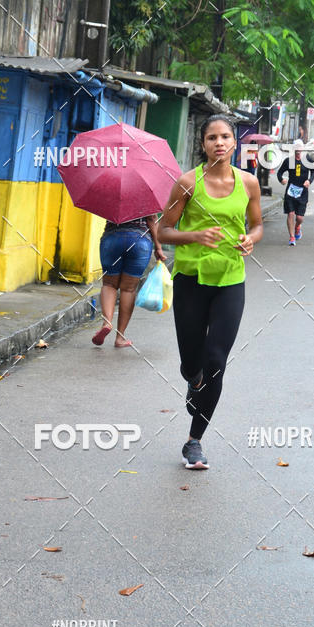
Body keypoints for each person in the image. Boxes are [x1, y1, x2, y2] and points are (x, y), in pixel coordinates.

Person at [157, 114, 263, 470]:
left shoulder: (248, 183)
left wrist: (251, 240)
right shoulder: (187, 183)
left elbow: (258, 225)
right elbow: (163, 230)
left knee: (217, 361)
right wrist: (195, 236)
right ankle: (193, 378)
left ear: (235, 143)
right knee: (192, 362)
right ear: (203, 144)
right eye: (212, 137)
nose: (219, 142)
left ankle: (194, 441)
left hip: (230, 280)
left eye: (226, 137)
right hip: (190, 280)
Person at [92, 216, 166, 347]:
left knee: (109, 284)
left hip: (112, 239)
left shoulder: (111, 194)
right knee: (128, 289)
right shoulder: (146, 195)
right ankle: (120, 337)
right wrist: (158, 247)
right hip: (139, 241)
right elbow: (152, 220)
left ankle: (107, 322)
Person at [276, 139, 314, 246]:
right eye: (296, 147)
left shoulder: (308, 160)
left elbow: (313, 173)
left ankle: (297, 227)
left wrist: (309, 181)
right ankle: (292, 237)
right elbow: (279, 173)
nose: (298, 149)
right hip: (290, 191)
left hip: (303, 192)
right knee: (291, 213)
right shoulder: (288, 161)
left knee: (299, 218)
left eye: (300, 147)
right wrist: (281, 179)